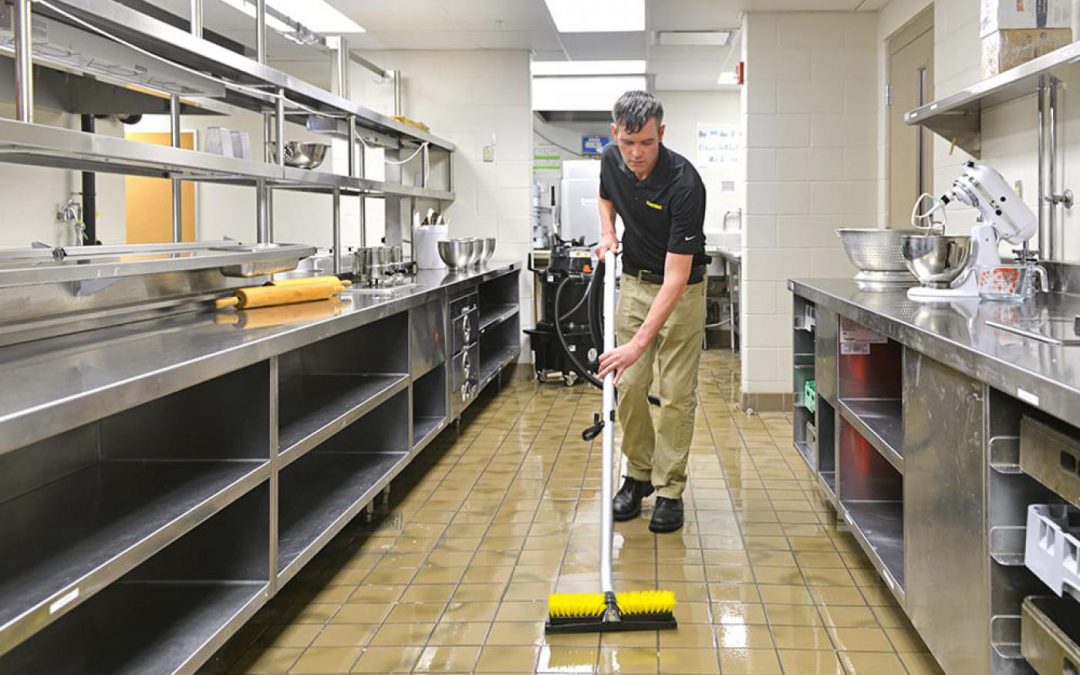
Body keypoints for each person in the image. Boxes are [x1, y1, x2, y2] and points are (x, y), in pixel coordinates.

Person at [595, 90, 708, 534]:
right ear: (615, 135)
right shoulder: (610, 159)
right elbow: (607, 195)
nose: (636, 154)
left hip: (682, 292)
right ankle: (638, 476)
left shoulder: (684, 183)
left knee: (677, 394)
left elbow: (677, 278)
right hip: (636, 283)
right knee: (630, 385)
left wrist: (638, 343)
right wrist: (608, 230)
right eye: (628, 143)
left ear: (661, 133)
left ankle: (669, 490)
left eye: (646, 142)